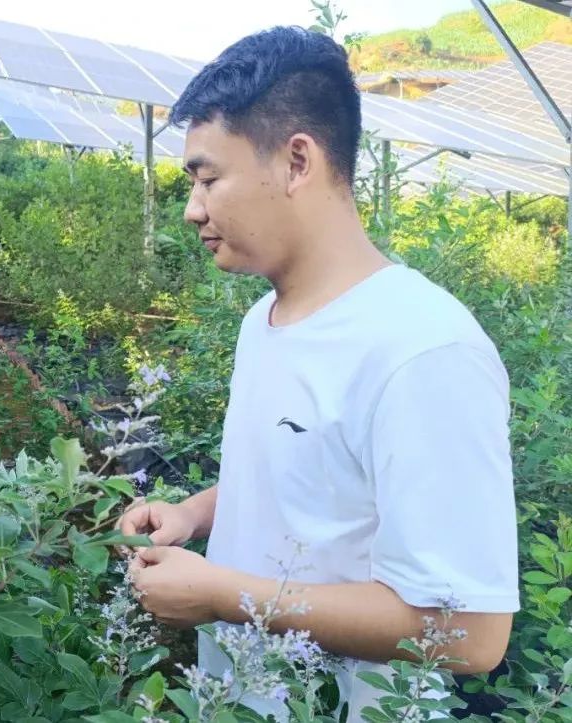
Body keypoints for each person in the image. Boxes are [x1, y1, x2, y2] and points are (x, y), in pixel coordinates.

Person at [117, 26, 519, 720]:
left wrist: (222, 594)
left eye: (209, 178)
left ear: (297, 160)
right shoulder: (263, 322)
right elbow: (311, 482)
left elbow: (474, 632)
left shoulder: (423, 348)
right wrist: (193, 514)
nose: (193, 209)